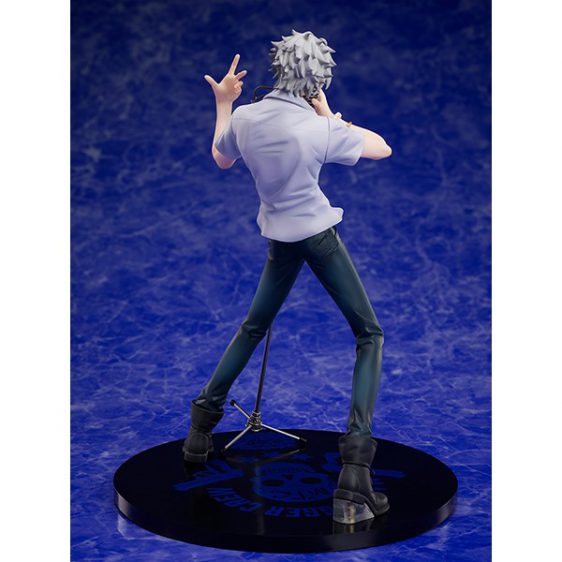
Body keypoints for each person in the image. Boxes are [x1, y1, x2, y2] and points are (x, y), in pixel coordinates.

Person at [183, 30, 392, 524]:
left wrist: (224, 103)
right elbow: (381, 148)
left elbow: (221, 156)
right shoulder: (318, 129)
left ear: (277, 67)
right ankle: (355, 471)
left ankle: (199, 430)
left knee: (252, 327)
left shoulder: (246, 117)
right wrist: (329, 114)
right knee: (369, 334)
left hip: (279, 236)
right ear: (318, 79)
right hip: (318, 236)